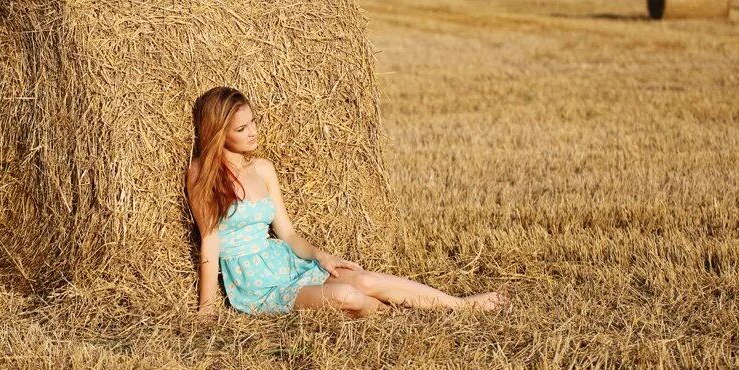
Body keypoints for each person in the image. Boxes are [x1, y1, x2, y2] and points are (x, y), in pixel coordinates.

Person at [185, 86, 509, 320]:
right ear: (217, 132)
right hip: (253, 283)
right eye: (242, 128)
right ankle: (400, 319)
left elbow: (286, 232)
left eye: (254, 122)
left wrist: (322, 256)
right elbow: (209, 243)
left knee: (364, 280)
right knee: (345, 295)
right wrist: (207, 307)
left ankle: (462, 305)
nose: (254, 132)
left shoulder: (263, 168)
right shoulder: (202, 175)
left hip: (283, 262)